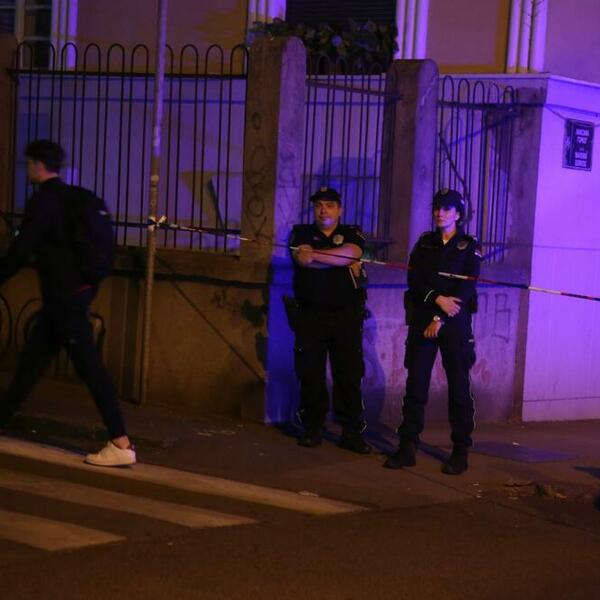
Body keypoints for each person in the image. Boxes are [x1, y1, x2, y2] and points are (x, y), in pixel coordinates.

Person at [0, 139, 136, 467]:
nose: (27, 168)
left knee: (91, 370)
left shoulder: (44, 202)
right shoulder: (73, 199)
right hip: (67, 299)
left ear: (37, 165)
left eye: (29, 163)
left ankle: (120, 442)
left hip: (65, 303)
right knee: (29, 367)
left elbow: (21, 251)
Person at [384, 188, 481, 475]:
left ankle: (460, 450)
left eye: (447, 209)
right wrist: (436, 300)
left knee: (459, 387)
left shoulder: (469, 246)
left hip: (453, 323)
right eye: (437, 208)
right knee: (416, 385)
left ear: (458, 214)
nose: (440, 213)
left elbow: (466, 287)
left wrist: (440, 316)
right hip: (423, 319)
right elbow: (415, 279)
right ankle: (407, 445)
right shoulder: (425, 243)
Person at [290, 186, 371, 454]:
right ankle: (313, 428)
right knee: (310, 373)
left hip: (346, 317)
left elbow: (352, 252)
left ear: (340, 210)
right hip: (311, 316)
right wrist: (335, 259)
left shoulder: (352, 233)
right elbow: (302, 259)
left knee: (348, 375)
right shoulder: (301, 233)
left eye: (329, 205)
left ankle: (351, 432)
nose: (323, 210)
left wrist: (316, 255)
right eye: (318, 205)